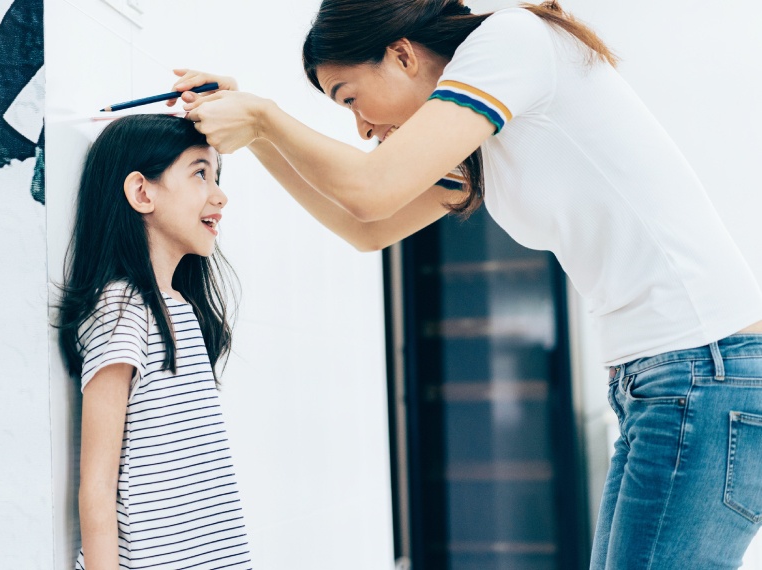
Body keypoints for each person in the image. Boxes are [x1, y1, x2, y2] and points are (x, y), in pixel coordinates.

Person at [167, 1, 762, 568]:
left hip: (705, 369)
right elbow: (364, 227)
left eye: (352, 98)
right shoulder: (486, 136)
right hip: (670, 379)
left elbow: (370, 189)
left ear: (402, 55)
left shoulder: (512, 41)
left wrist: (267, 115)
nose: (364, 127)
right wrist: (257, 136)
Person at [56, 114, 251, 570]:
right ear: (142, 192)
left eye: (217, 175)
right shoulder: (121, 309)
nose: (220, 195)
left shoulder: (179, 307)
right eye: (201, 172)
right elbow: (98, 486)